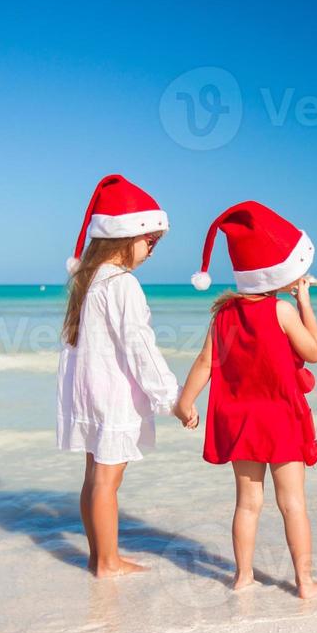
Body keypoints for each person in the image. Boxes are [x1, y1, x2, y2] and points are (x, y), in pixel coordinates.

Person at [175, 201, 317, 599]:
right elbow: (313, 351)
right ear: (278, 274)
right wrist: (305, 302)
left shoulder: (223, 315)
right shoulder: (281, 311)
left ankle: (243, 577)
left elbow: (205, 363)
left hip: (241, 421)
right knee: (292, 503)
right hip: (279, 418)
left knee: (247, 504)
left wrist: (185, 402)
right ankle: (305, 583)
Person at [57, 175, 193, 577]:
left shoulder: (89, 280)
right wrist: (173, 398)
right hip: (113, 394)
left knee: (94, 477)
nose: (152, 252)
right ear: (123, 236)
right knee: (107, 481)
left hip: (90, 392)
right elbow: (140, 347)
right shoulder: (123, 285)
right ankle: (108, 562)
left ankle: (98, 556)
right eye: (149, 241)